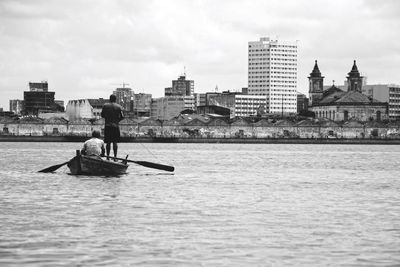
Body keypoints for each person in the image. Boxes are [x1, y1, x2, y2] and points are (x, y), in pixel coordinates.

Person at [101, 94, 124, 160]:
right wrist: (117, 120)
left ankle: (107, 157)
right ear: (115, 99)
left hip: (107, 125)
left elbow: (102, 115)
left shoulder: (105, 106)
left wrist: (107, 117)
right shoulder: (119, 106)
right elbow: (122, 116)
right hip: (115, 126)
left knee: (108, 142)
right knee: (115, 142)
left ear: (109, 99)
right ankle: (115, 157)